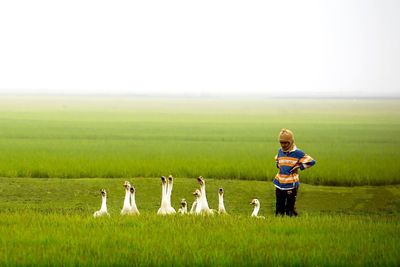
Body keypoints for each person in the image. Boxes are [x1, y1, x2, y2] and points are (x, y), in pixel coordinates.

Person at [274, 129, 315, 216]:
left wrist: (300, 167)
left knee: (290, 208)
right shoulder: (280, 151)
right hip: (279, 183)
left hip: (291, 184)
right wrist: (278, 165)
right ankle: (278, 223)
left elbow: (311, 161)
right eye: (281, 142)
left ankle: (291, 221)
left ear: (291, 142)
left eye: (286, 143)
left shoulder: (297, 153)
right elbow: (278, 160)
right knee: (279, 207)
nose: (283, 145)